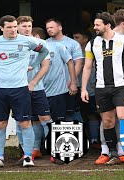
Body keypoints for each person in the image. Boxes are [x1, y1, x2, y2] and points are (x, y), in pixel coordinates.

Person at [81, 12, 124, 165]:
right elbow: (87, 67)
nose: (95, 27)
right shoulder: (92, 44)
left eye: (98, 25)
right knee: (108, 121)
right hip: (101, 88)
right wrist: (83, 88)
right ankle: (112, 153)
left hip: (121, 87)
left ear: (108, 25)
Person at [0, 15, 49, 168]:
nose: (13, 30)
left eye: (14, 26)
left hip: (20, 89)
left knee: (25, 122)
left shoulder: (28, 41)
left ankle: (27, 156)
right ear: (1, 28)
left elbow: (44, 52)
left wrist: (33, 63)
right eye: (9, 27)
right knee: (0, 123)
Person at [94, 9, 124, 165]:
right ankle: (106, 150)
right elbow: (93, 65)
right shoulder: (99, 40)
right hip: (105, 86)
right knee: (107, 119)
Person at [32, 27, 76, 164]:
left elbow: (70, 62)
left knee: (56, 122)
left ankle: (56, 151)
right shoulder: (27, 49)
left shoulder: (57, 46)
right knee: (35, 120)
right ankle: (35, 149)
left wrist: (73, 82)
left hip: (57, 92)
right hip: (36, 91)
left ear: (37, 36)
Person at [15, 16, 52, 163]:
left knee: (45, 119)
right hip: (17, 89)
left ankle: (54, 151)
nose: (27, 29)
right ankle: (27, 153)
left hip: (37, 88)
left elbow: (45, 66)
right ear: (17, 27)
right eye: (24, 26)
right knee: (22, 121)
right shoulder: (12, 44)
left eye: (29, 26)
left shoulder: (41, 43)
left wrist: (33, 83)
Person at [45, 19, 84, 122]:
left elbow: (78, 63)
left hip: (70, 86)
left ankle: (81, 137)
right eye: (47, 28)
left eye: (51, 27)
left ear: (60, 27)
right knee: (51, 118)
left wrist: (72, 82)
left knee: (71, 115)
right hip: (51, 89)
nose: (49, 30)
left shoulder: (72, 43)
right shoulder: (45, 44)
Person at [72, 29, 101, 147]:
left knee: (92, 114)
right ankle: (79, 141)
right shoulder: (71, 52)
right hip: (74, 88)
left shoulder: (93, 52)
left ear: (85, 39)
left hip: (91, 89)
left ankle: (94, 139)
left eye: (77, 37)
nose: (74, 40)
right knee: (76, 113)